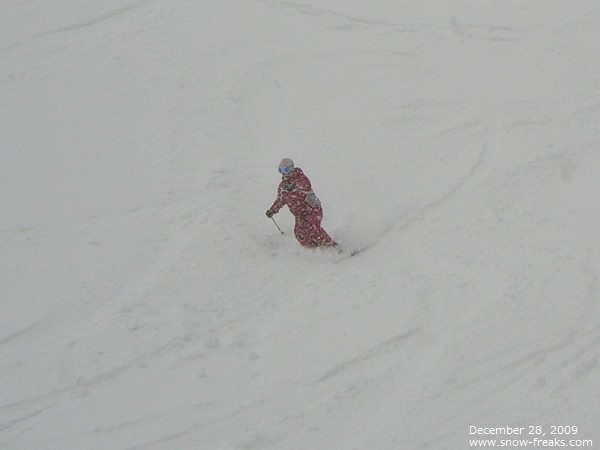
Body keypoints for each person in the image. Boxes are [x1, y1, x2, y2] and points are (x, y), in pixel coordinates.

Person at [266, 158, 338, 249]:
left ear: (291, 169)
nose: (283, 173)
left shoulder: (300, 177)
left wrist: (294, 186)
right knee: (299, 234)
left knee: (314, 229)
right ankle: (315, 248)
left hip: (312, 210)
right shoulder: (282, 186)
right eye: (280, 170)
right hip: (300, 215)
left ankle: (333, 247)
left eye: (285, 170)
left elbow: (307, 187)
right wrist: (272, 210)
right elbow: (280, 200)